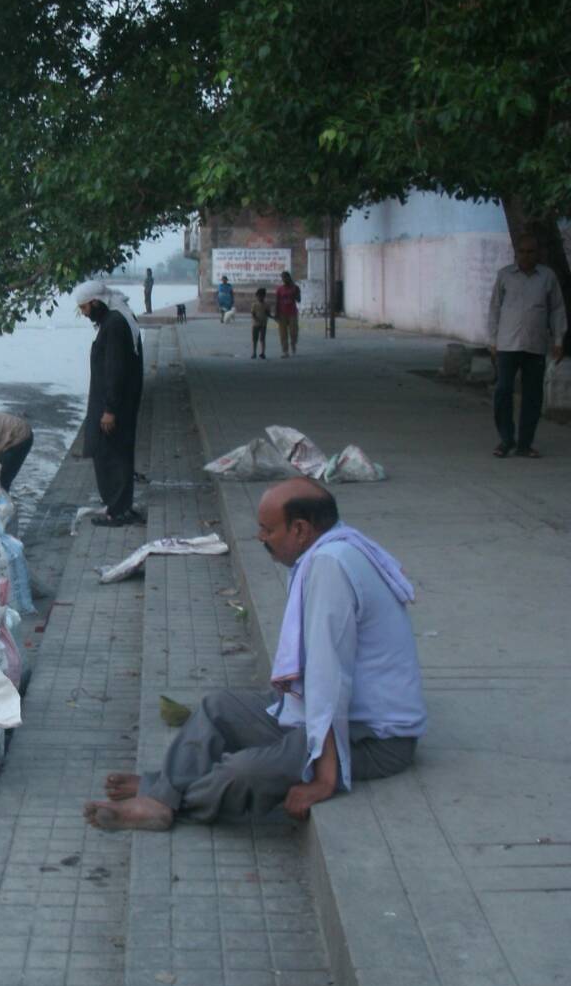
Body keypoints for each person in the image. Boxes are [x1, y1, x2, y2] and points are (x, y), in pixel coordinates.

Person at [84, 478, 426, 831]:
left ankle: (165, 799)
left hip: (375, 739)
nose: (261, 538)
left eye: (268, 529)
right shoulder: (334, 547)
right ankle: (163, 791)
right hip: (319, 714)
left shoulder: (330, 567)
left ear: (301, 530)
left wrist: (324, 780)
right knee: (218, 708)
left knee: (245, 772)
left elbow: (329, 676)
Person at [488, 229, 567, 458]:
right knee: (503, 391)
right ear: (516, 253)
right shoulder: (505, 276)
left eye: (530, 252)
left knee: (533, 396)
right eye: (521, 252)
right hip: (507, 344)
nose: (525, 256)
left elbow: (557, 309)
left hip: (535, 344)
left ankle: (525, 443)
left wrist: (559, 339)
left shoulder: (547, 277)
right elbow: (494, 309)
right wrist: (492, 340)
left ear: (538, 254)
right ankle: (505, 440)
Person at [73, 279, 146, 528]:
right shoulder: (116, 319)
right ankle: (120, 507)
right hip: (118, 402)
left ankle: (117, 510)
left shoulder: (114, 324)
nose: (84, 314)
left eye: (84, 308)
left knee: (109, 455)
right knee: (118, 454)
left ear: (96, 302)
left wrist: (109, 410)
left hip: (113, 405)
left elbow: (115, 369)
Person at [274, 270, 300, 356]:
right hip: (282, 313)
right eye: (282, 278)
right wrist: (276, 313)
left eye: (285, 277)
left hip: (292, 312)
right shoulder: (280, 289)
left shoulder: (295, 288)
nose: (284, 279)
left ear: (289, 277)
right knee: (283, 333)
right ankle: (285, 351)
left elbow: (299, 300)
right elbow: (277, 301)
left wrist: (296, 292)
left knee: (293, 331)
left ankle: (293, 344)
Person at [250, 287, 270, 359]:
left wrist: (273, 317)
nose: (260, 297)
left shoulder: (266, 305)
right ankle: (254, 352)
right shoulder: (254, 304)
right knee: (255, 339)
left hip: (263, 324)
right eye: (259, 296)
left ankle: (263, 352)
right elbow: (253, 314)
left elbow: (268, 313)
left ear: (264, 296)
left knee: (262, 339)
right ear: (257, 296)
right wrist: (257, 319)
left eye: (262, 296)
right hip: (256, 324)